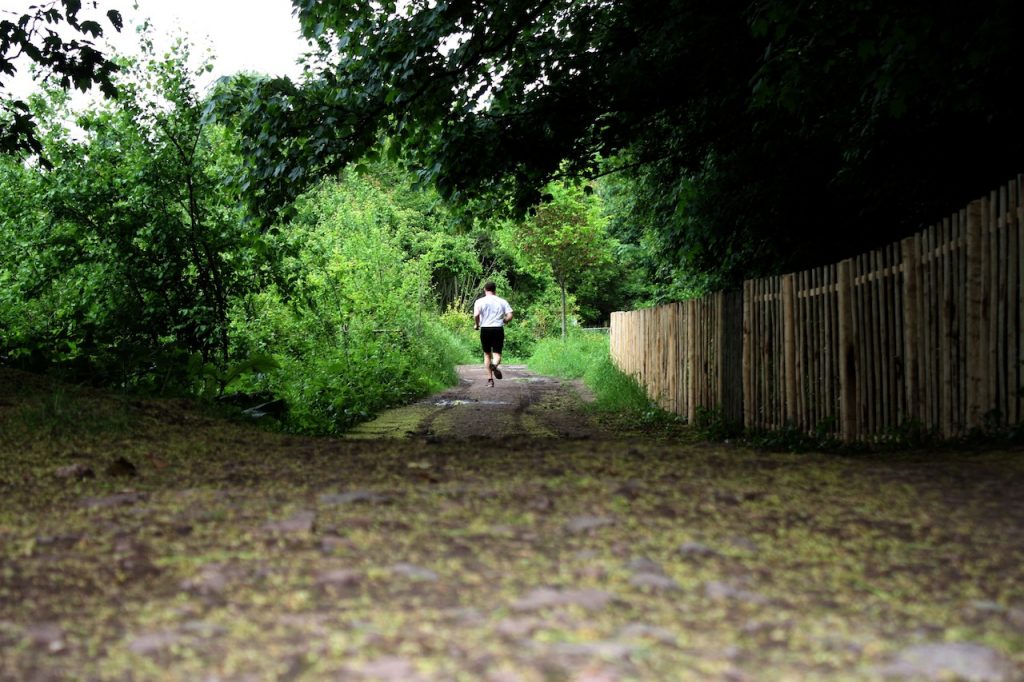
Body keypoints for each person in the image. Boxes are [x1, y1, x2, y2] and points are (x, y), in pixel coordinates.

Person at [473, 282, 513, 387]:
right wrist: (505, 321)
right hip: (498, 329)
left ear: (485, 289)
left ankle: (490, 380)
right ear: (495, 290)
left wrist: (477, 325)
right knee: (497, 353)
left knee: (487, 354)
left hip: (485, 329)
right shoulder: (502, 301)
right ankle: (494, 365)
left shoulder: (479, 301)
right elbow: (510, 315)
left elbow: (476, 315)